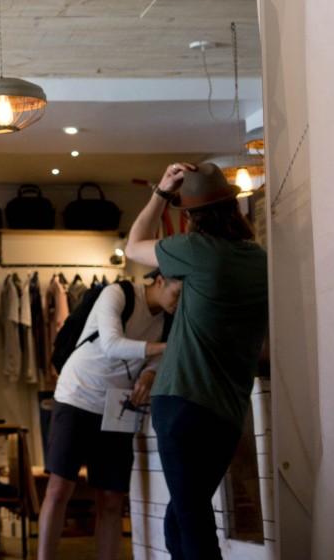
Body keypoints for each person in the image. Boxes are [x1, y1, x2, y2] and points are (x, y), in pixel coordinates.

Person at [124, 162, 268, 560]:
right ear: (232, 207)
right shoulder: (259, 261)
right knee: (182, 520)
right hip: (226, 413)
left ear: (190, 216)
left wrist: (161, 191)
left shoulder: (195, 250)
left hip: (182, 403)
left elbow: (133, 244)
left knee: (193, 525)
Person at [38, 270, 182, 560]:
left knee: (112, 498)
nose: (178, 303)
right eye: (177, 294)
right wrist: (170, 347)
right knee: (59, 488)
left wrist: (151, 376)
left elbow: (155, 361)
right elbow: (111, 344)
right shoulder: (118, 293)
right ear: (159, 280)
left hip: (118, 407)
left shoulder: (168, 319)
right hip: (77, 395)